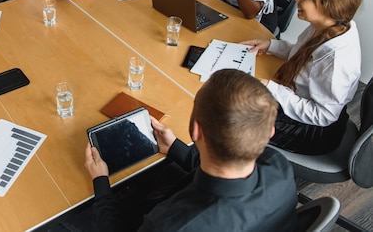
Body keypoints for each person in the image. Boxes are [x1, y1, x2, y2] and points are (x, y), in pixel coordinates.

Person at [84, 69, 297, 231]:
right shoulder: (278, 165)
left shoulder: (170, 225)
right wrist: (175, 147)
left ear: (196, 130)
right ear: (269, 132)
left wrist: (101, 183)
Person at [242, 0, 363, 155]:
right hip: (299, 101)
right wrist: (271, 46)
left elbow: (324, 116)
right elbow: (300, 54)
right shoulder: (327, 26)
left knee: (234, 114)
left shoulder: (338, 61)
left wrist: (271, 87)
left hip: (315, 129)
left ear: (327, 5)